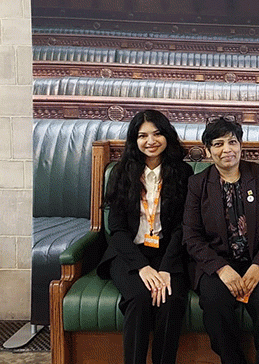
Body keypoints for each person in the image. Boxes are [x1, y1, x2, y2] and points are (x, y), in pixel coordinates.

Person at [182, 116, 259, 364]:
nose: (227, 149)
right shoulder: (198, 184)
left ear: (241, 145)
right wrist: (221, 268)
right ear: (208, 151)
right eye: (218, 144)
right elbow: (191, 236)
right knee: (215, 305)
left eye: (232, 142)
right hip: (217, 266)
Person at [96, 109, 194, 364]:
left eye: (157, 133)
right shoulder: (121, 173)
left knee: (171, 301)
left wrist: (165, 268)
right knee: (139, 299)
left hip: (168, 254)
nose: (150, 141)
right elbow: (116, 230)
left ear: (167, 136)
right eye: (142, 136)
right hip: (129, 255)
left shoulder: (183, 173)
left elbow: (183, 228)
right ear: (134, 140)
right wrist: (142, 267)